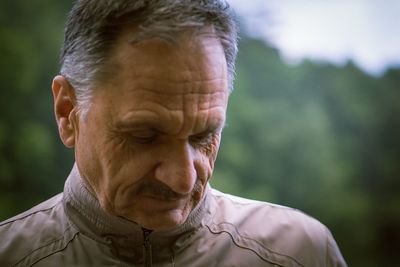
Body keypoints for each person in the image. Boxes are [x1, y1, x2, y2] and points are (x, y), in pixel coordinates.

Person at [0, 0, 347, 266]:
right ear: (67, 112)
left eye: (203, 136)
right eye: (145, 135)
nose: (183, 180)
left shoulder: (300, 253)